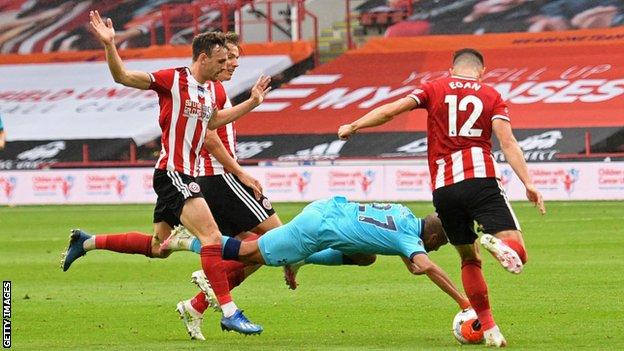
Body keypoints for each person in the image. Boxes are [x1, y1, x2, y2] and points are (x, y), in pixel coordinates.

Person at [61, 10, 270, 335]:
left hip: (177, 175)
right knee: (212, 237)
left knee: (159, 248)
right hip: (174, 173)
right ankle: (229, 311)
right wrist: (109, 45)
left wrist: (252, 103)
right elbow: (123, 77)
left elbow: (212, 123)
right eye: (220, 61)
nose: (224, 67)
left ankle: (86, 242)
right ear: (203, 57)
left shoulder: (209, 91)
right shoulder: (173, 79)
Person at [337, 48, 546, 347]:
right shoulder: (492, 95)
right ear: (482, 70)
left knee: (468, 259)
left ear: (451, 69)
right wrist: (529, 182)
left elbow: (392, 109)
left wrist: (354, 125)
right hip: (480, 178)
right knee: (519, 253)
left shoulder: (433, 88)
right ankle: (496, 241)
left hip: (444, 190)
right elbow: (508, 142)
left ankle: (489, 329)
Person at [165, 196, 473, 318]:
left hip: (327, 211)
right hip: (317, 227)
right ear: (431, 238)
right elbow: (426, 266)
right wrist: (463, 301)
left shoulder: (404, 214)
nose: (437, 249)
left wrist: (414, 263)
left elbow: (411, 259)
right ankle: (188, 241)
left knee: (366, 257)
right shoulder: (408, 239)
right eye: (440, 244)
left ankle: (301, 258)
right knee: (251, 253)